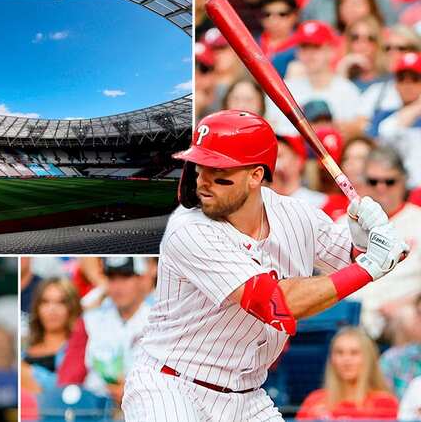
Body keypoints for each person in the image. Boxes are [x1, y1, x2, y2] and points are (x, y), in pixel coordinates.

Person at [120, 110, 408, 421]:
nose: (203, 183)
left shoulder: (296, 215)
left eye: (219, 173)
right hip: (173, 385)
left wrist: (367, 241)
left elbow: (355, 262)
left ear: (256, 176)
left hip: (246, 396)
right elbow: (277, 303)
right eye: (199, 169)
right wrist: (368, 265)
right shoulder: (189, 229)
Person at [344, 147, 421, 343]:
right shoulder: (347, 222)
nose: (381, 188)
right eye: (373, 181)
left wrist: (410, 303)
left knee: (407, 317)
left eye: (389, 182)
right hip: (349, 320)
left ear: (403, 182)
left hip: (397, 320)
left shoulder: (418, 220)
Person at [57, 257, 155, 406]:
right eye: (112, 278)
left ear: (142, 279)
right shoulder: (90, 321)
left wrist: (133, 392)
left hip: (146, 405)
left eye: (125, 277)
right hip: (94, 408)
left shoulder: (159, 321)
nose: (118, 286)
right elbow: (68, 378)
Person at [296, 327, 399, 419]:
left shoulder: (385, 404)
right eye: (339, 353)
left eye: (354, 353)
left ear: (368, 359)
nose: (346, 360)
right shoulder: (314, 401)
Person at [376, 52, 421, 189]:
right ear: (395, 83)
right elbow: (386, 134)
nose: (407, 85)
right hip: (394, 190)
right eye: (402, 79)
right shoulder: (384, 115)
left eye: (414, 79)